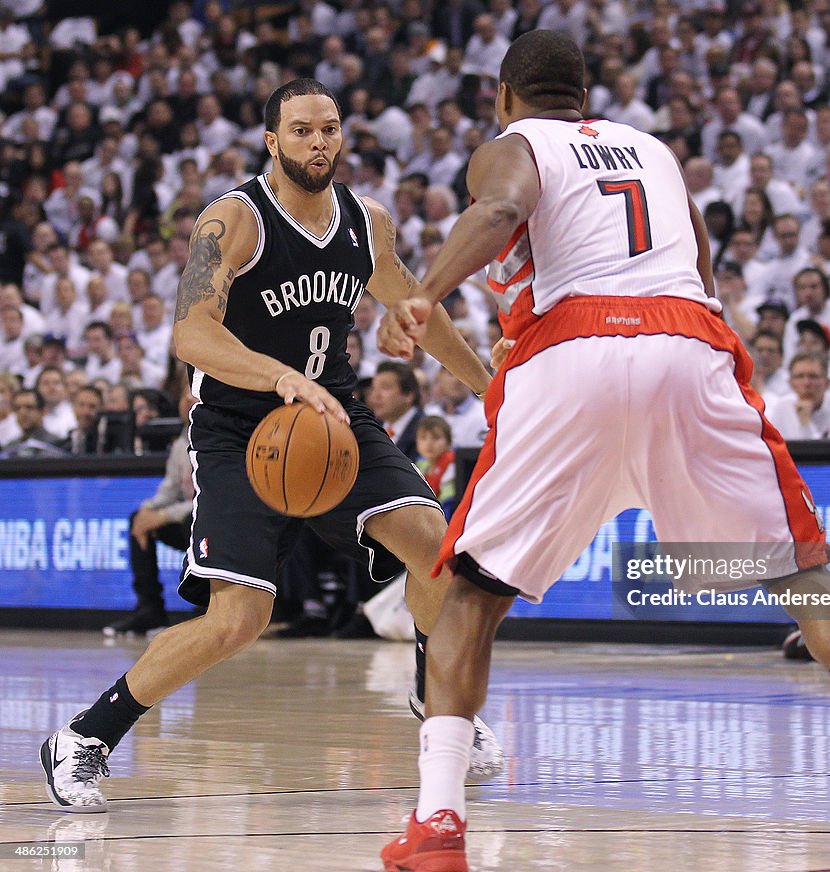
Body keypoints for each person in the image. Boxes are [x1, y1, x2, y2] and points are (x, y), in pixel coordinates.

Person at [376, 32, 830, 870]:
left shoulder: (515, 145)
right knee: (799, 567)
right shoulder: (655, 150)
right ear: (584, 96)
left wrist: (421, 297)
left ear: (505, 97)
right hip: (686, 341)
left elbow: (500, 211)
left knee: (469, 594)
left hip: (571, 349)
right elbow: (696, 259)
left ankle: (438, 821)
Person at [40, 79, 502, 816]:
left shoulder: (365, 222)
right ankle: (83, 737)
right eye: (300, 130)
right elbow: (191, 334)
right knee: (239, 620)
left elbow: (417, 306)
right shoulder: (235, 220)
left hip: (338, 423)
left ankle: (433, 695)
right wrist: (284, 378)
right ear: (272, 140)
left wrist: (486, 385)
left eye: (328, 129)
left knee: (441, 556)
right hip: (242, 434)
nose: (317, 142)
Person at [103, 392, 197, 636]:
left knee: (193, 521)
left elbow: (214, 497)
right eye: (183, 396)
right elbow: (169, 491)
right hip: (189, 516)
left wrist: (164, 516)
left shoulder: (217, 438)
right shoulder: (180, 442)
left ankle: (206, 604)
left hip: (220, 525)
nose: (187, 400)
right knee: (139, 519)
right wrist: (149, 510)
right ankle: (149, 609)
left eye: (193, 394)